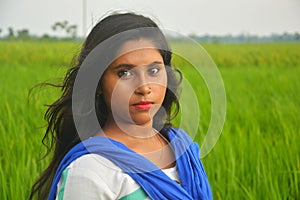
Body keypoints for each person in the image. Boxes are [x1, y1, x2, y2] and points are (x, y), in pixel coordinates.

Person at [29, 12, 212, 200]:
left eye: (154, 70)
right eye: (124, 73)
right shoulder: (91, 169)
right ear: (97, 83)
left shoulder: (183, 150)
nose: (144, 87)